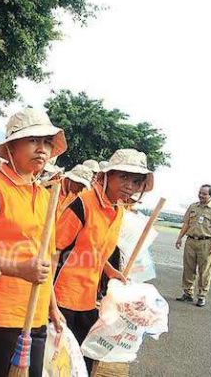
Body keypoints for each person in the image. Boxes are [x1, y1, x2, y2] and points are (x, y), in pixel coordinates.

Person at [0, 108, 66, 377]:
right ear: (10, 147)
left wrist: (52, 307)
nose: (41, 149)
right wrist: (17, 269)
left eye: (46, 142)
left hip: (36, 315)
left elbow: (46, 259)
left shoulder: (44, 196)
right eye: (32, 140)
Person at [54, 149, 153, 372]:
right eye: (124, 177)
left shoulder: (117, 209)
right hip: (62, 297)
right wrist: (49, 304)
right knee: (59, 362)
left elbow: (95, 251)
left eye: (136, 180)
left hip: (88, 297)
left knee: (82, 362)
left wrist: (109, 271)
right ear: (106, 176)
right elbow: (54, 252)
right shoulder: (82, 205)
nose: (130, 185)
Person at [175, 184, 211, 307]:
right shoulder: (193, 207)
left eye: (204, 194)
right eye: (200, 193)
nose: (201, 195)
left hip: (205, 242)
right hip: (191, 241)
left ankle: (201, 296)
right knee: (188, 269)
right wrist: (180, 238)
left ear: (210, 195)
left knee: (204, 271)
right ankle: (188, 293)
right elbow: (186, 224)